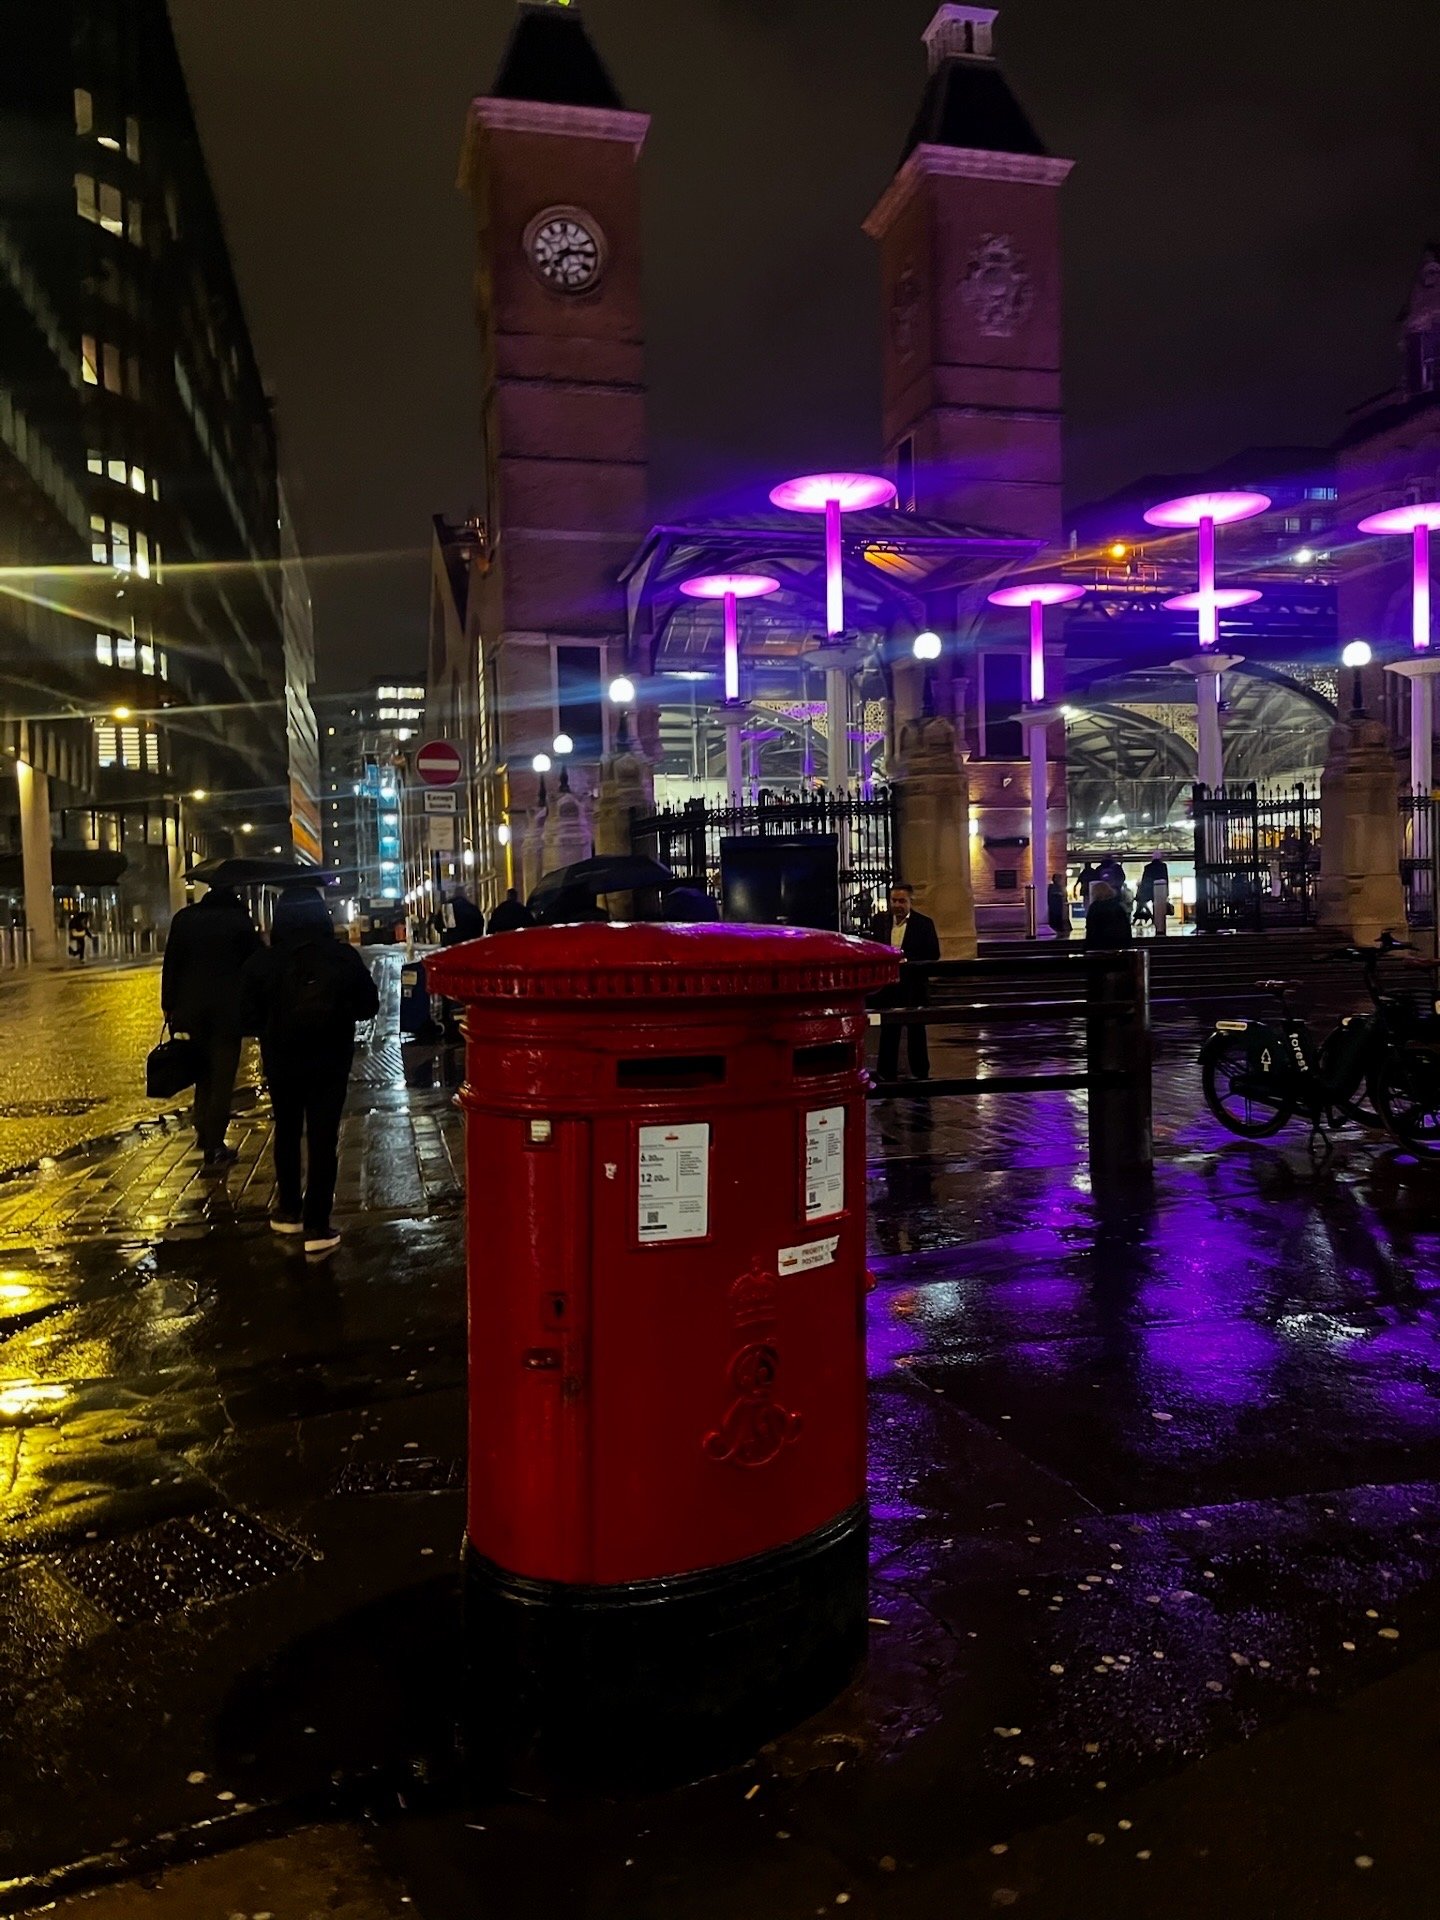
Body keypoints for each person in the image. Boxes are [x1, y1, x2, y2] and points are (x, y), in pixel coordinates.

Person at [240, 886, 380, 1255]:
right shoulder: (342, 958)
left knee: (286, 1129)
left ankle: (289, 1210)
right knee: (323, 1137)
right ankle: (317, 1224)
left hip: (282, 1059)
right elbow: (369, 1005)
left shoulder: (262, 963)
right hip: (330, 1059)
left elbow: (246, 1017)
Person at [161, 883, 262, 1170]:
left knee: (202, 1072)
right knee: (221, 1078)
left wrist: (169, 1004)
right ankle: (214, 1144)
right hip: (228, 1013)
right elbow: (255, 963)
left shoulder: (184, 919)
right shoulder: (238, 921)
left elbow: (172, 963)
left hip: (191, 1011)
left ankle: (203, 1129)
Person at [869, 883, 941, 1082]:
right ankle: (886, 1073)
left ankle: (920, 1074)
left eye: (902, 901)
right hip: (889, 987)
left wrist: (908, 960)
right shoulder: (880, 922)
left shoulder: (924, 924)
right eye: (894, 900)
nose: (897, 905)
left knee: (916, 1032)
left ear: (911, 901)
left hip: (913, 986)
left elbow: (933, 954)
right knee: (888, 1032)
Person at [1084, 880, 1133, 949]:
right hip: (1119, 944)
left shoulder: (1094, 907)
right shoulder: (1118, 906)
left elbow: (1091, 928)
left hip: (1099, 945)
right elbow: (1126, 926)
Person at [1135, 854, 1169, 929]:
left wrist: (1143, 891)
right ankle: (1158, 923)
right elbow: (1166, 879)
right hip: (1160, 889)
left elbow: (1144, 880)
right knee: (1159, 907)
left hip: (1149, 890)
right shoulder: (1163, 866)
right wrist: (1167, 892)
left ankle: (1151, 919)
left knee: (1144, 905)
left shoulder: (1147, 867)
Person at [1046, 874, 1072, 938]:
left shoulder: (1060, 887)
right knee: (1055, 918)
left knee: (1059, 918)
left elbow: (1064, 896)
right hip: (1054, 907)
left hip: (1059, 906)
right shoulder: (1052, 887)